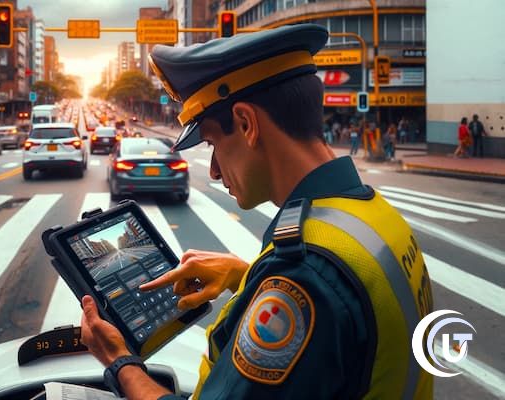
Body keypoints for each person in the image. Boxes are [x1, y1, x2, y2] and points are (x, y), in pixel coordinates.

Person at [79, 24, 434, 400]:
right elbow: (350, 318)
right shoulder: (372, 215)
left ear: (247, 125)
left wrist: (119, 361)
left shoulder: (303, 274)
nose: (214, 169)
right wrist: (245, 276)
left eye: (214, 142)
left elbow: (323, 293)